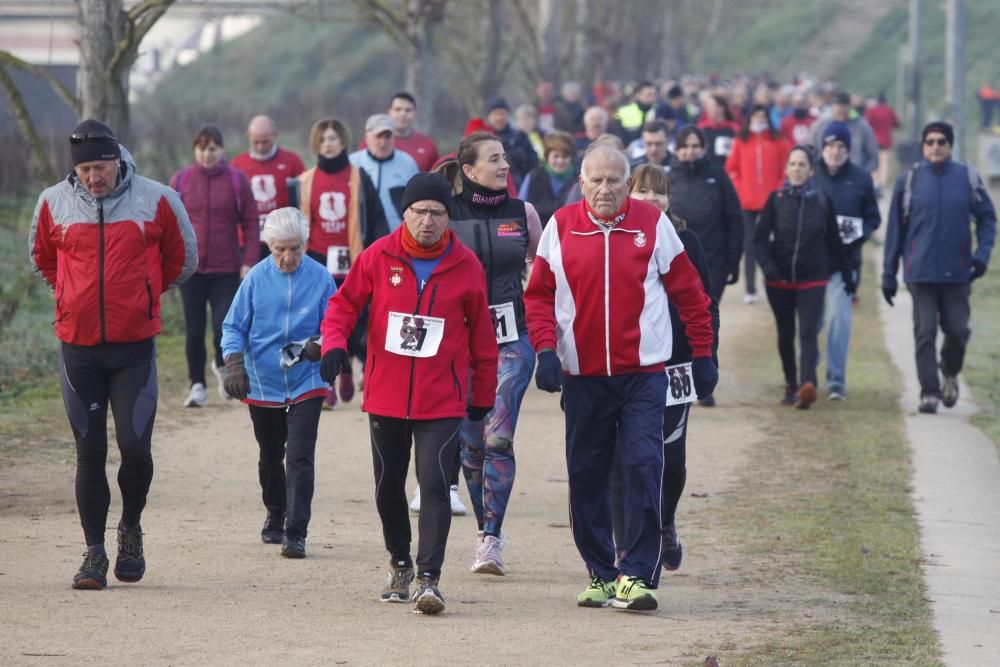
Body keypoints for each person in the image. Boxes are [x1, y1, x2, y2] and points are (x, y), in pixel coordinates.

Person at [524, 144, 716, 612]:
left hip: (643, 374)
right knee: (586, 474)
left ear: (627, 184)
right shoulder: (561, 226)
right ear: (582, 182)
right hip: (583, 375)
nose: (605, 189)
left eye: (614, 180)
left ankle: (638, 576)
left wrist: (704, 354)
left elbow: (691, 294)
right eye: (596, 180)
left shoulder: (652, 226)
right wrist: (546, 350)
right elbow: (538, 297)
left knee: (642, 465)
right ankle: (601, 573)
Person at [28, 119, 197, 589]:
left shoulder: (157, 197)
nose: (92, 178)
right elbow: (42, 257)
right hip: (78, 347)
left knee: (135, 446)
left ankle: (131, 528)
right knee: (90, 449)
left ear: (117, 160)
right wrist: (68, 295)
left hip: (132, 348)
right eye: (84, 170)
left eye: (100, 167)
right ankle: (94, 554)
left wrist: (144, 295)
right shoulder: (52, 202)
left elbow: (183, 258)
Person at [319, 173, 498, 614]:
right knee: (387, 486)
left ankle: (428, 579)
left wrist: (484, 392)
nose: (428, 221)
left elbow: (483, 340)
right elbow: (342, 306)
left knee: (436, 485)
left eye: (438, 214)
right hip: (386, 394)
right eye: (420, 212)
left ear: (447, 218)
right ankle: (400, 561)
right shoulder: (379, 256)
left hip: (443, 398)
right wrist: (334, 345)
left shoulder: (467, 265)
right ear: (406, 214)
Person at [609, 163, 719, 573]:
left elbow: (706, 305)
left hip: (677, 365)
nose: (651, 199)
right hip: (627, 363)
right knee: (625, 458)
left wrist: (707, 356)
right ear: (628, 194)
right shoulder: (616, 237)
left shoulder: (686, 241)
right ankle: (626, 549)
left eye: (659, 192)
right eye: (642, 191)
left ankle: (665, 520)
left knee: (669, 461)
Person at [449, 132, 543, 575]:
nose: (505, 165)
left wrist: (550, 339)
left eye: (505, 157)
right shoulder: (445, 215)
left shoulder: (522, 213)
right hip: (461, 345)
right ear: (469, 170)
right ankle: (486, 524)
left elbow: (544, 278)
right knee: (470, 447)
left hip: (511, 342)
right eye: (494, 159)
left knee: (498, 438)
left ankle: (491, 538)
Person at [220, 208, 335, 558]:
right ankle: (275, 509)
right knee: (271, 455)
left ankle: (296, 531)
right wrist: (234, 364)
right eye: (279, 250)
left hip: (306, 378)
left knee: (300, 456)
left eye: (295, 249)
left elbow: (335, 321)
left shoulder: (320, 278)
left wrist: (323, 344)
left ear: (305, 244)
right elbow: (233, 327)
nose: (287, 258)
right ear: (268, 246)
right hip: (263, 379)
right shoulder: (255, 279)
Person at [882, 121, 997, 414]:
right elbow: (896, 229)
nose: (935, 146)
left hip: (957, 272)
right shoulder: (909, 180)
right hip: (919, 272)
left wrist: (981, 255)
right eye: (930, 141)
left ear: (951, 145)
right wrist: (888, 274)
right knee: (925, 331)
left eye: (941, 141)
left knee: (958, 331)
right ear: (923, 146)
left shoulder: (967, 178)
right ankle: (929, 392)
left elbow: (987, 218)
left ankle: (949, 372)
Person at [296, 117, 385, 408]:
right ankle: (327, 382)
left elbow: (376, 220)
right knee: (321, 320)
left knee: (356, 321)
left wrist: (379, 256)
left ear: (343, 141)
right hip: (317, 258)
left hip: (353, 257)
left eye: (332, 139)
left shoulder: (360, 176)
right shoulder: (305, 181)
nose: (327, 144)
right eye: (322, 140)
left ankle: (346, 368)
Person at [171, 125, 259, 407]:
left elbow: (251, 222)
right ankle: (197, 385)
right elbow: (168, 224)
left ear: (221, 150)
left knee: (224, 326)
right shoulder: (181, 180)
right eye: (201, 148)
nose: (207, 154)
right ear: (194, 150)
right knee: (194, 330)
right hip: (191, 269)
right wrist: (170, 261)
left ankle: (221, 364)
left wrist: (249, 260)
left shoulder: (237, 180)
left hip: (226, 268)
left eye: (212, 148)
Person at [756, 145, 850, 409]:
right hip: (779, 280)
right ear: (786, 169)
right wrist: (768, 266)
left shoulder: (821, 200)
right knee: (786, 333)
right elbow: (759, 238)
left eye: (802, 165)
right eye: (793, 164)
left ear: (811, 171)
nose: (797, 169)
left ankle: (807, 384)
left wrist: (843, 274)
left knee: (808, 331)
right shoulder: (776, 199)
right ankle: (790, 383)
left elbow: (833, 239)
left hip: (813, 278)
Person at [813, 122, 881, 400]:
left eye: (841, 146)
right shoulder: (809, 172)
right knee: (809, 325)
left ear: (848, 150)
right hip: (811, 263)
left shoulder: (862, 178)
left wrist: (858, 234)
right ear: (822, 147)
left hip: (844, 265)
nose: (835, 151)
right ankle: (804, 375)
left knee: (839, 322)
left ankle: (836, 381)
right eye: (830, 145)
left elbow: (873, 217)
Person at [669, 126, 743, 305]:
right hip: (678, 262)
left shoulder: (718, 176)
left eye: (695, 146)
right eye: (685, 146)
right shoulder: (668, 178)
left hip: (714, 261)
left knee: (709, 317)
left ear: (703, 148)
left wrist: (733, 261)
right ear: (677, 149)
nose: (690, 151)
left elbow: (734, 218)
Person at [726, 104, 790, 304]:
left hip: (773, 201)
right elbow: (731, 169)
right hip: (747, 202)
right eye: (756, 115)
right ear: (750, 118)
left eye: (763, 115)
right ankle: (750, 289)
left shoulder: (778, 140)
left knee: (775, 243)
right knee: (750, 245)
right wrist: (741, 188)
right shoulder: (741, 140)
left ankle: (776, 282)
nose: (759, 119)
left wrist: (780, 189)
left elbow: (786, 167)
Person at [231, 115, 306, 262]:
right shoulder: (237, 164)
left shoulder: (292, 161)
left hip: (283, 241)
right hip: (248, 242)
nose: (260, 146)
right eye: (255, 142)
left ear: (275, 135)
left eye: (265, 141)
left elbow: (304, 200)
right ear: (249, 136)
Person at [349, 113, 419, 234]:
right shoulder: (353, 163)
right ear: (367, 136)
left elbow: (418, 202)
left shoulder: (408, 163)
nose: (383, 142)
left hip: (397, 237)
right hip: (360, 237)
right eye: (378, 137)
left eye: (387, 137)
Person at [810, 91, 879, 175]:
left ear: (850, 107)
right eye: (838, 111)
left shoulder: (862, 126)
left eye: (844, 110)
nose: (841, 114)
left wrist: (863, 174)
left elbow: (873, 156)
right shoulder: (820, 125)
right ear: (832, 107)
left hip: (854, 177)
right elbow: (811, 151)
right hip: (826, 177)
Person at [519, 130, 577, 227]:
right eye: (556, 156)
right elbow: (521, 208)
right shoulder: (533, 176)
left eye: (565, 156)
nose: (560, 161)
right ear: (547, 156)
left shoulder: (579, 179)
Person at [484, 96, 539, 188]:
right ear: (489, 116)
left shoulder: (519, 136)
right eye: (495, 114)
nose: (499, 118)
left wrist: (523, 160)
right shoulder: (482, 138)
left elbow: (534, 161)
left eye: (502, 114)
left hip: (518, 186)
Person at [386, 92, 440, 172]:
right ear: (389, 112)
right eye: (398, 109)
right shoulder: (372, 143)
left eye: (408, 110)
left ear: (415, 114)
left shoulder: (428, 145)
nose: (403, 114)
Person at [864, 94, 900, 191]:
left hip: (874, 140)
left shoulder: (872, 111)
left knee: (875, 161)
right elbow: (897, 123)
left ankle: (875, 182)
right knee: (884, 162)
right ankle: (882, 184)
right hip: (886, 141)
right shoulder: (890, 110)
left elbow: (866, 123)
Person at [698, 94, 741, 168]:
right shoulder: (702, 128)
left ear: (721, 108)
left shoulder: (734, 129)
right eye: (707, 106)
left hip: (728, 172)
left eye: (711, 106)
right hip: (707, 171)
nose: (708, 109)